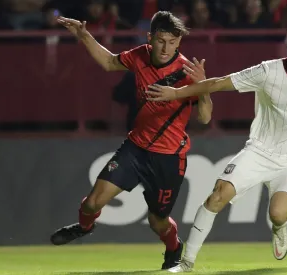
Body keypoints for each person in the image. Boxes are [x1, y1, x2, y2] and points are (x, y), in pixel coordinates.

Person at [146, 24, 287, 273]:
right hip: (259, 151)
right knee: (217, 195)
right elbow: (220, 83)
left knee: (278, 214)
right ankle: (186, 262)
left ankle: (279, 228)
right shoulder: (267, 71)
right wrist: (177, 93)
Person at [50, 11, 213, 270]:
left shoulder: (187, 73)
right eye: (161, 40)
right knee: (92, 202)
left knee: (157, 221)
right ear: (150, 38)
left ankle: (174, 248)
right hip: (135, 148)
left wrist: (203, 88)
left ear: (179, 42)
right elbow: (108, 62)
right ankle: (84, 227)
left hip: (168, 158)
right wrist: (84, 36)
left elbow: (204, 118)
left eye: (172, 41)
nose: (165, 47)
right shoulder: (139, 55)